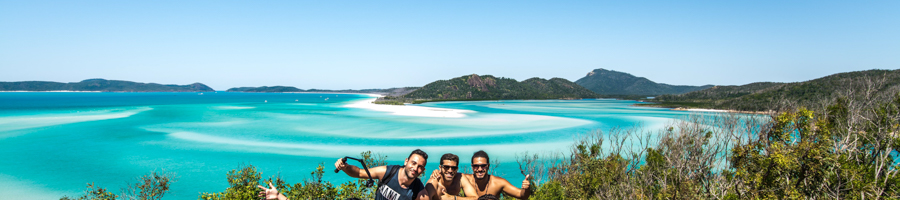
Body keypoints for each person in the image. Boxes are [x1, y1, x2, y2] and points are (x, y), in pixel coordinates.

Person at [336, 149, 431, 200]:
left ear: (422, 170)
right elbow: (360, 172)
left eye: (420, 167)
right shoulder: (388, 172)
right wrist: (345, 167)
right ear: (406, 161)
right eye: (413, 163)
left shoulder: (419, 193)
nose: (415, 168)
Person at [441, 150, 531, 200]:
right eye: (476, 166)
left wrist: (526, 189)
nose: (480, 169)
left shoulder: (498, 183)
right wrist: (437, 172)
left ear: (488, 166)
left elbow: (521, 195)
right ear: (472, 167)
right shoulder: (464, 179)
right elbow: (448, 175)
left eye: (483, 166)